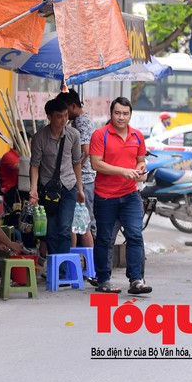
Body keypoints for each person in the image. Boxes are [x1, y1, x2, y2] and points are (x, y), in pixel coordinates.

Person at [89, 96, 151, 295]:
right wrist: (122, 171)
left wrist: (141, 169)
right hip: (105, 196)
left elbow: (141, 161)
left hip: (130, 194)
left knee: (135, 235)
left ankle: (136, 280)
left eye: (125, 113)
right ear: (111, 114)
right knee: (105, 239)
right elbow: (96, 164)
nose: (121, 117)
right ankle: (104, 280)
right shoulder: (100, 135)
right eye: (117, 113)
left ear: (130, 115)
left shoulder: (137, 136)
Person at [29, 98, 84, 256]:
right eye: (59, 116)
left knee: (65, 229)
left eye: (66, 115)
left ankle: (63, 272)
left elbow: (76, 163)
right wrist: (34, 189)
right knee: (51, 232)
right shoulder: (39, 138)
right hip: (48, 190)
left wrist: (80, 189)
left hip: (68, 186)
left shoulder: (74, 135)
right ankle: (54, 266)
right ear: (49, 116)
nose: (64, 120)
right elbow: (34, 164)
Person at [57, 89, 96, 249]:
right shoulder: (80, 120)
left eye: (65, 109)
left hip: (84, 179)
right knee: (76, 224)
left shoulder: (81, 121)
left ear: (73, 106)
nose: (64, 114)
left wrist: (74, 168)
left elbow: (85, 150)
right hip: (83, 178)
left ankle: (86, 264)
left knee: (81, 225)